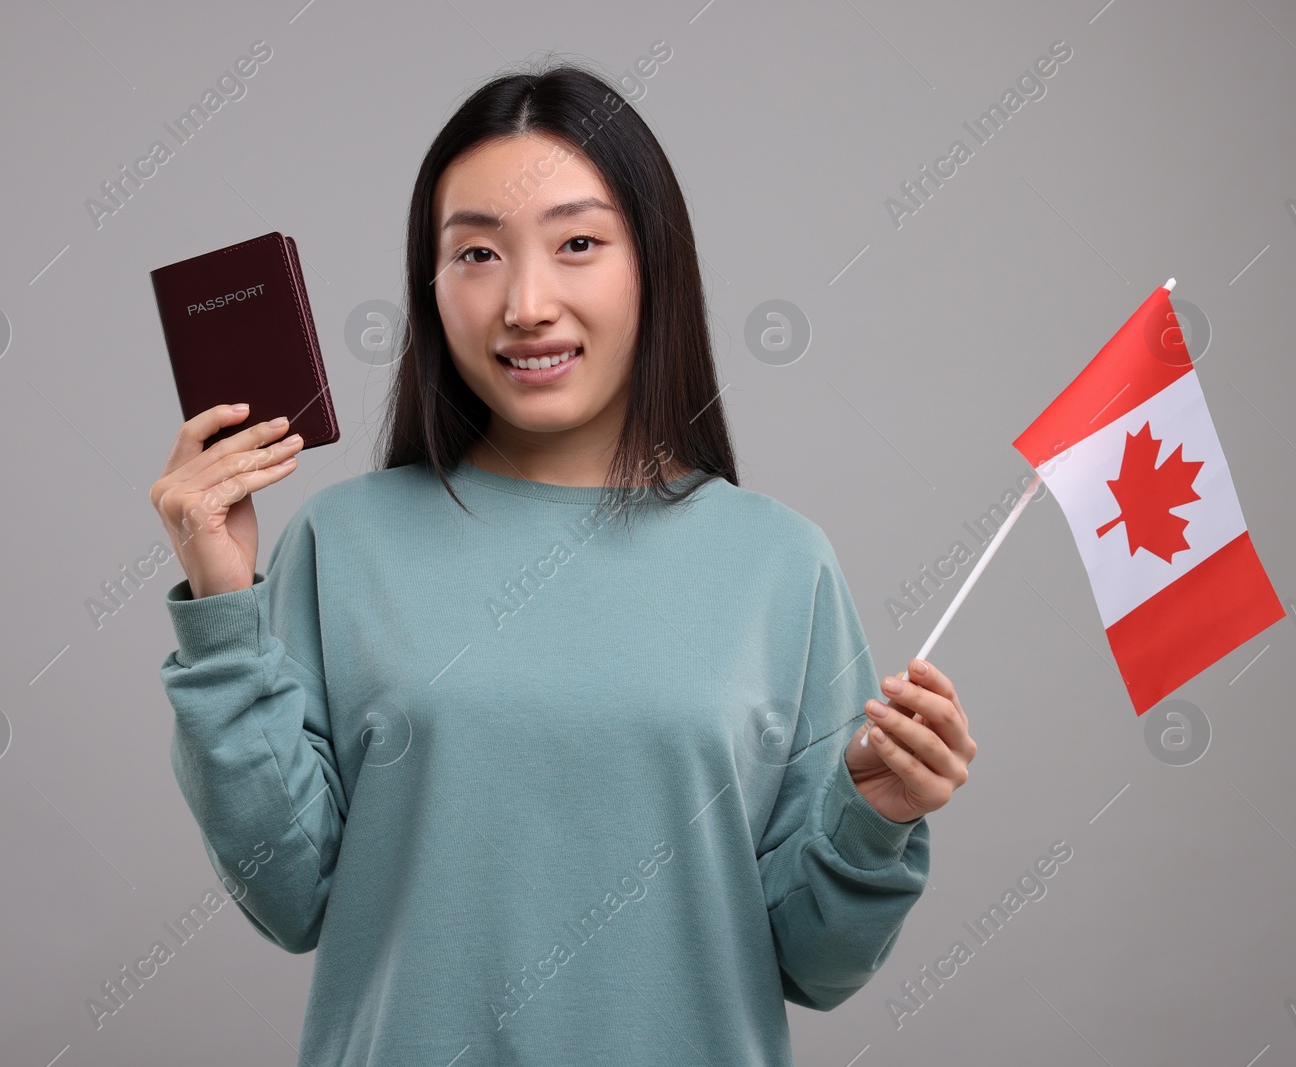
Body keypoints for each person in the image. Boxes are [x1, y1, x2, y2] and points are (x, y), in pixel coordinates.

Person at [150, 58, 975, 1066]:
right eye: (477, 255)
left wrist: (874, 817)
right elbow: (288, 896)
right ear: (432, 285)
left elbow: (817, 963)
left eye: (578, 243)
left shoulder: (779, 563)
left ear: (654, 266)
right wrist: (224, 602)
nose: (526, 302)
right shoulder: (341, 540)